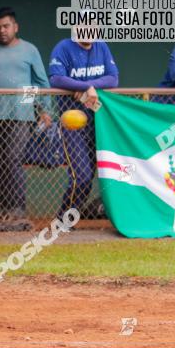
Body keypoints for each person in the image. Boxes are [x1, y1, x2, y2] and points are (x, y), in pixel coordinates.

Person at [0, 7, 52, 230]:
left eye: (6, 26)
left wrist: (42, 109)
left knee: (14, 158)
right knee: (1, 162)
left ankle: (18, 210)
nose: (2, 31)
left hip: (21, 115)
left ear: (15, 27)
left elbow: (39, 81)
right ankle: (6, 211)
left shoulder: (29, 50)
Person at [48, 37, 119, 220]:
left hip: (97, 121)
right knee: (81, 175)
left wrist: (91, 87)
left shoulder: (101, 46)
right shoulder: (63, 47)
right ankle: (63, 219)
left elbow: (113, 78)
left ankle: (68, 220)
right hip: (72, 123)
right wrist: (86, 86)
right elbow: (56, 78)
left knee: (88, 177)